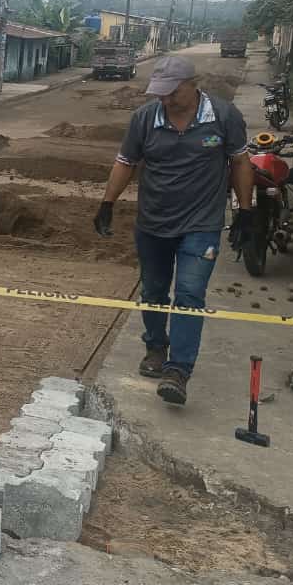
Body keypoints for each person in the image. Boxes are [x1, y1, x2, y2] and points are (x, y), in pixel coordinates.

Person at [94, 55, 254, 406]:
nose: (165, 100)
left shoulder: (224, 116)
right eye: (160, 93)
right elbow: (126, 162)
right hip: (153, 222)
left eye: (172, 93)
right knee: (153, 290)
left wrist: (245, 211)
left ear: (192, 85)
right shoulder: (144, 118)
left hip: (202, 223)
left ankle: (178, 370)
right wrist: (107, 203)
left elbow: (241, 162)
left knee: (189, 293)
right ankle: (155, 346)